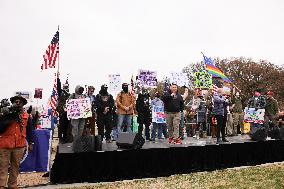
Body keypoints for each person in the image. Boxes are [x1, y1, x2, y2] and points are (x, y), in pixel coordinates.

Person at [0, 95, 34, 189]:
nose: (18, 103)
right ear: (13, 103)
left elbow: (30, 130)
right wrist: (7, 117)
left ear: (23, 104)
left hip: (19, 145)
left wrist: (31, 143)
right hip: (5, 144)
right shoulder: (5, 113)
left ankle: (12, 185)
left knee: (15, 167)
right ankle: (1, 185)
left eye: (20, 102)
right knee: (3, 167)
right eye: (16, 101)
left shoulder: (27, 116)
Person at [68, 85, 87, 151]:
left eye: (82, 89)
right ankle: (75, 142)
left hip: (83, 115)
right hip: (75, 115)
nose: (81, 90)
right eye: (79, 89)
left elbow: (87, 104)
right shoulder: (72, 95)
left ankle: (79, 142)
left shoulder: (84, 96)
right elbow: (68, 103)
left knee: (81, 128)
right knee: (75, 128)